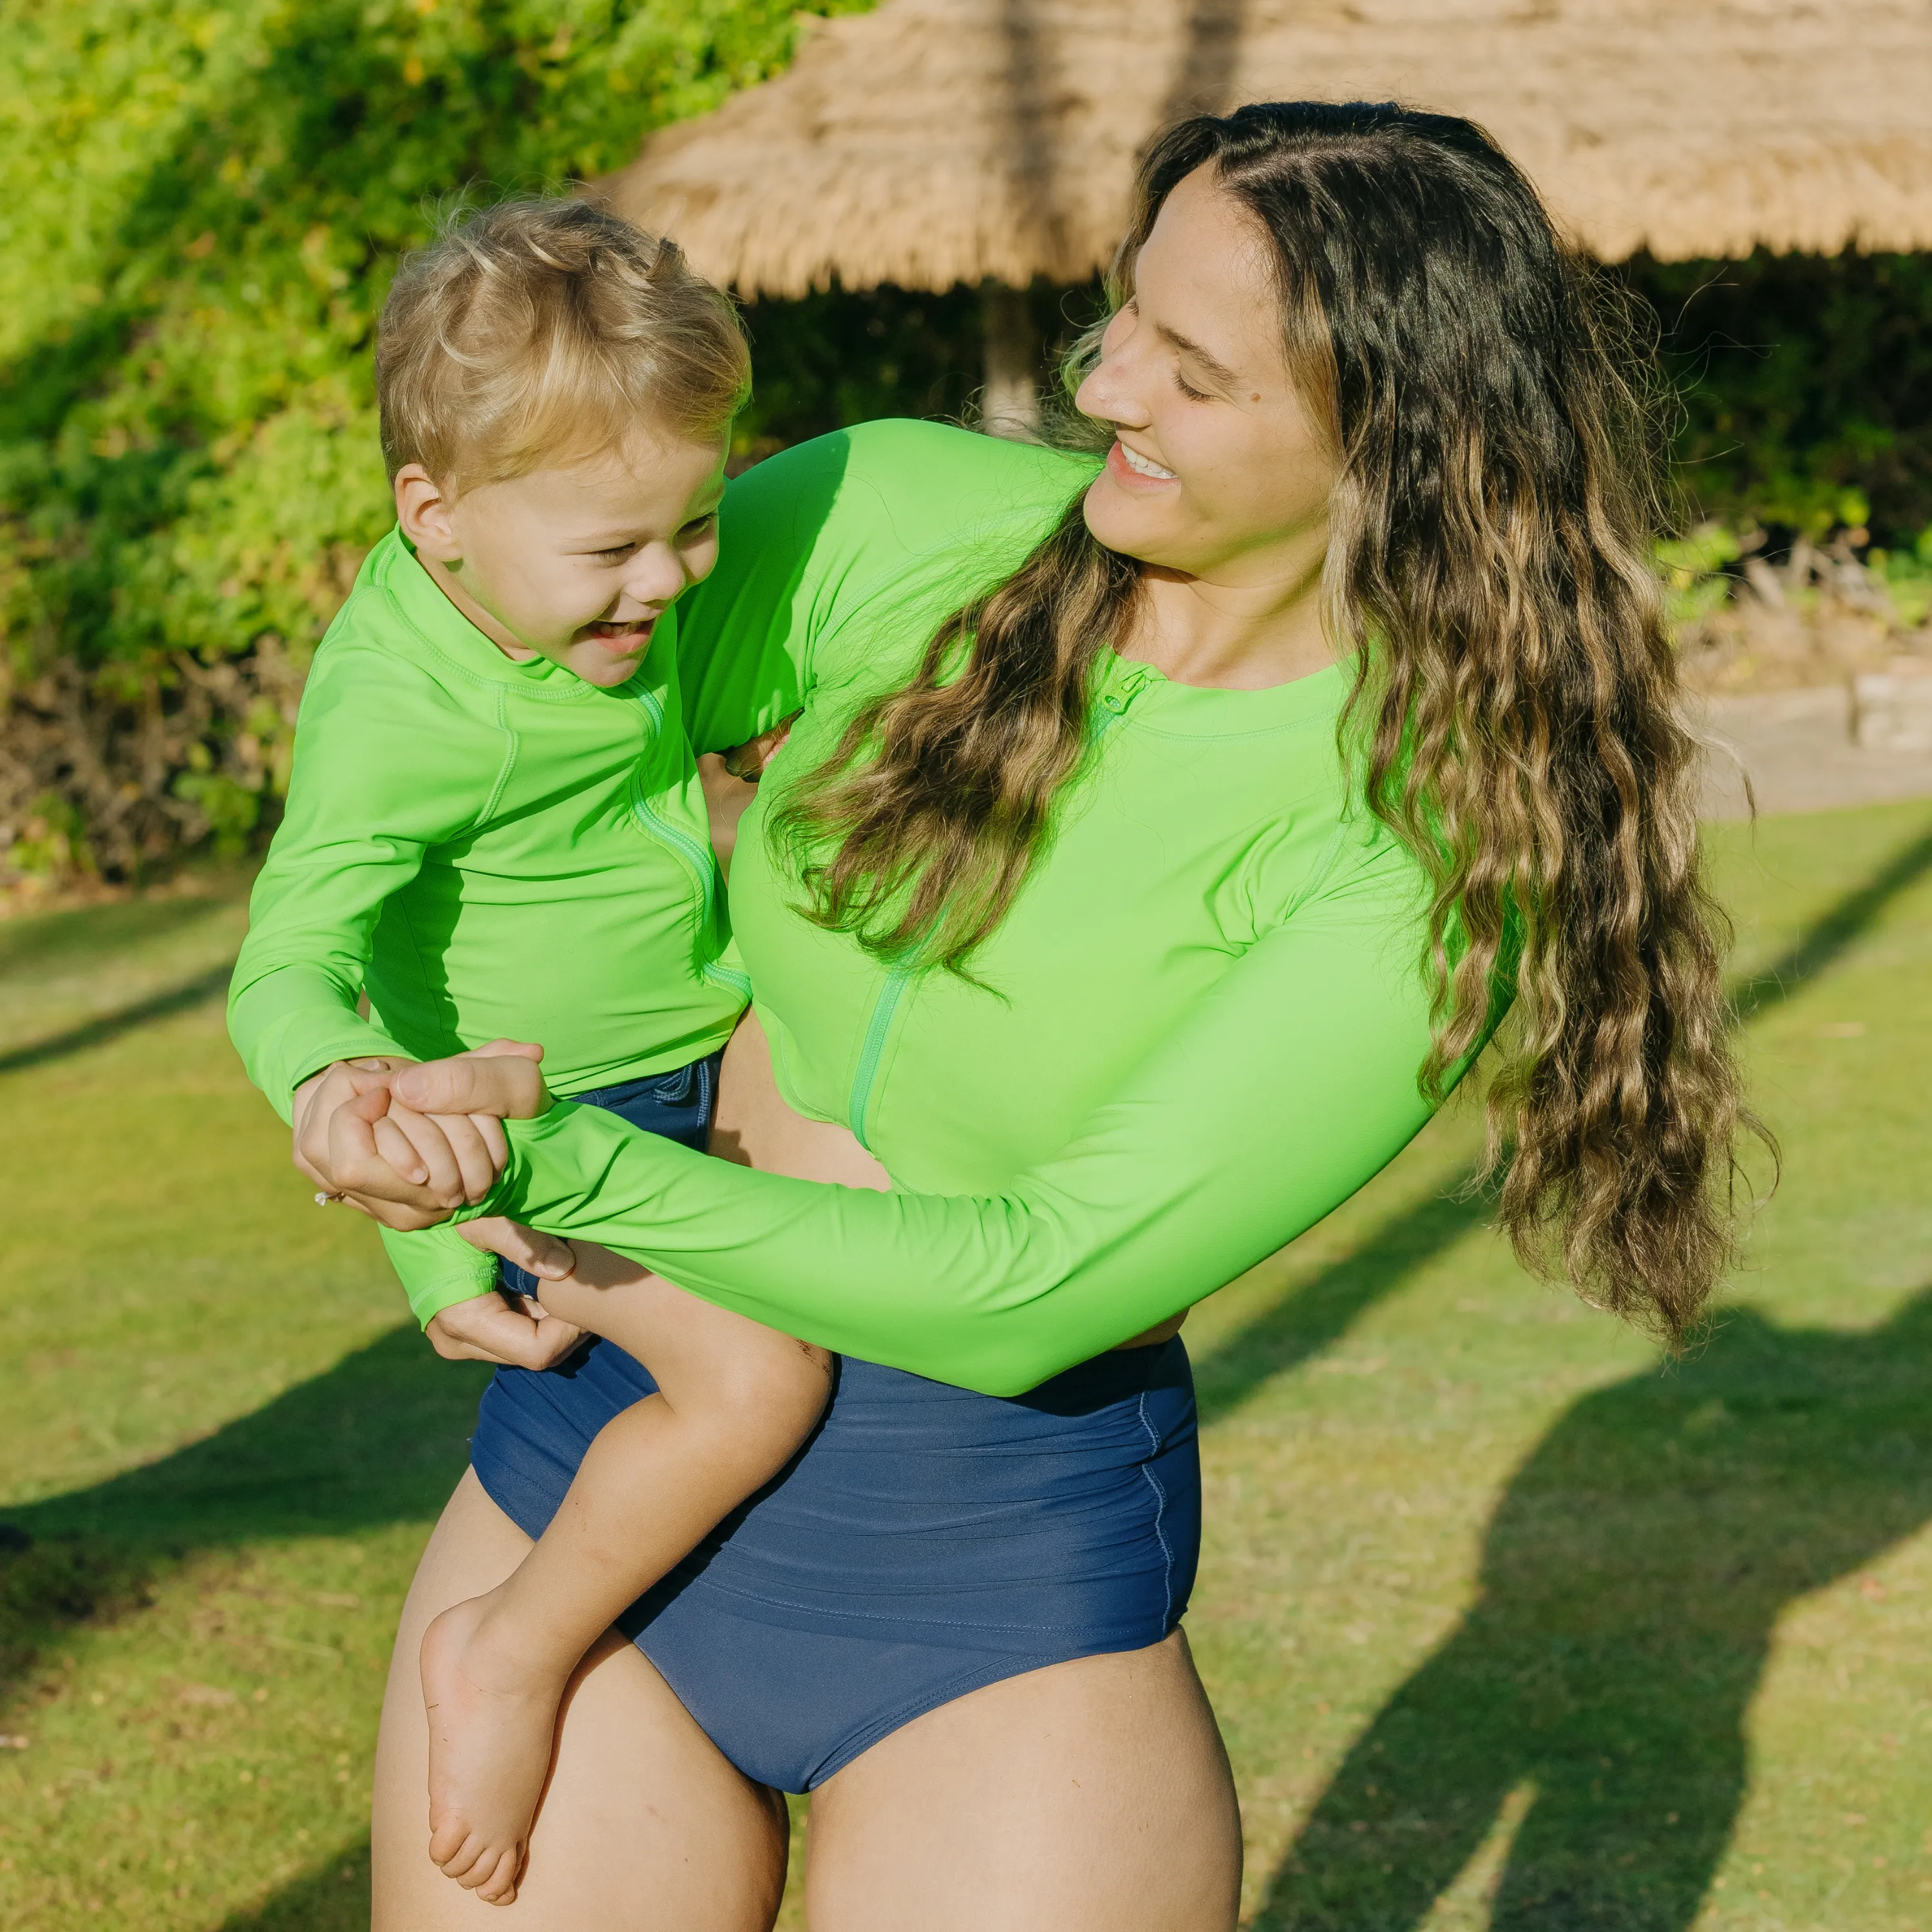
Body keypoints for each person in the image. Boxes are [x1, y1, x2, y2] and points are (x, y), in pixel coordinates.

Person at [312, 104, 1753, 1929]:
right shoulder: (905, 517)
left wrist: (548, 1165)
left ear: (1387, 442)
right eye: (1126, 315)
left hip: (981, 1580)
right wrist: (416, 1154)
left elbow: (1033, 1291)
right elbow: (466, 696)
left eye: (1192, 369)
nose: (1103, 383)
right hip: (605, 1463)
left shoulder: (1424, 853)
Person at [225, 198, 833, 1908]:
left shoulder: (575, 598)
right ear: (439, 520)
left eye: (695, 526)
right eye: (614, 551)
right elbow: (289, 961)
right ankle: (509, 1657)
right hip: (549, 1129)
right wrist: (363, 1123)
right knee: (755, 1378)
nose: (669, 581)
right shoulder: (401, 711)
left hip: (702, 1071)